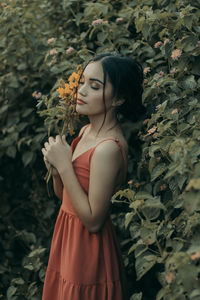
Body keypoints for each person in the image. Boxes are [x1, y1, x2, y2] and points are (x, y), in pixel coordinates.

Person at [41, 53, 145, 300]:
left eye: (94, 86)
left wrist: (65, 166)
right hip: (67, 241)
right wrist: (57, 172)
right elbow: (66, 199)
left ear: (118, 98)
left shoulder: (108, 148)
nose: (82, 91)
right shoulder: (87, 130)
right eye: (83, 82)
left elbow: (94, 221)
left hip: (87, 252)